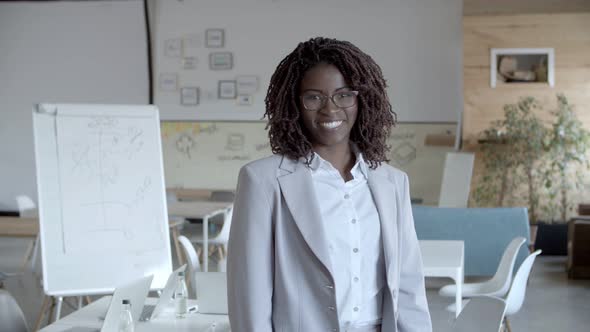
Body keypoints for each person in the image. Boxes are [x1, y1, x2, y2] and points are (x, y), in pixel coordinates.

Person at [227, 37, 432, 332]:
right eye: (313, 97)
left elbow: (409, 285)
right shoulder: (263, 180)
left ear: (362, 99)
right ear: (294, 104)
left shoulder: (393, 182)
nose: (330, 110)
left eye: (344, 95)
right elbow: (249, 294)